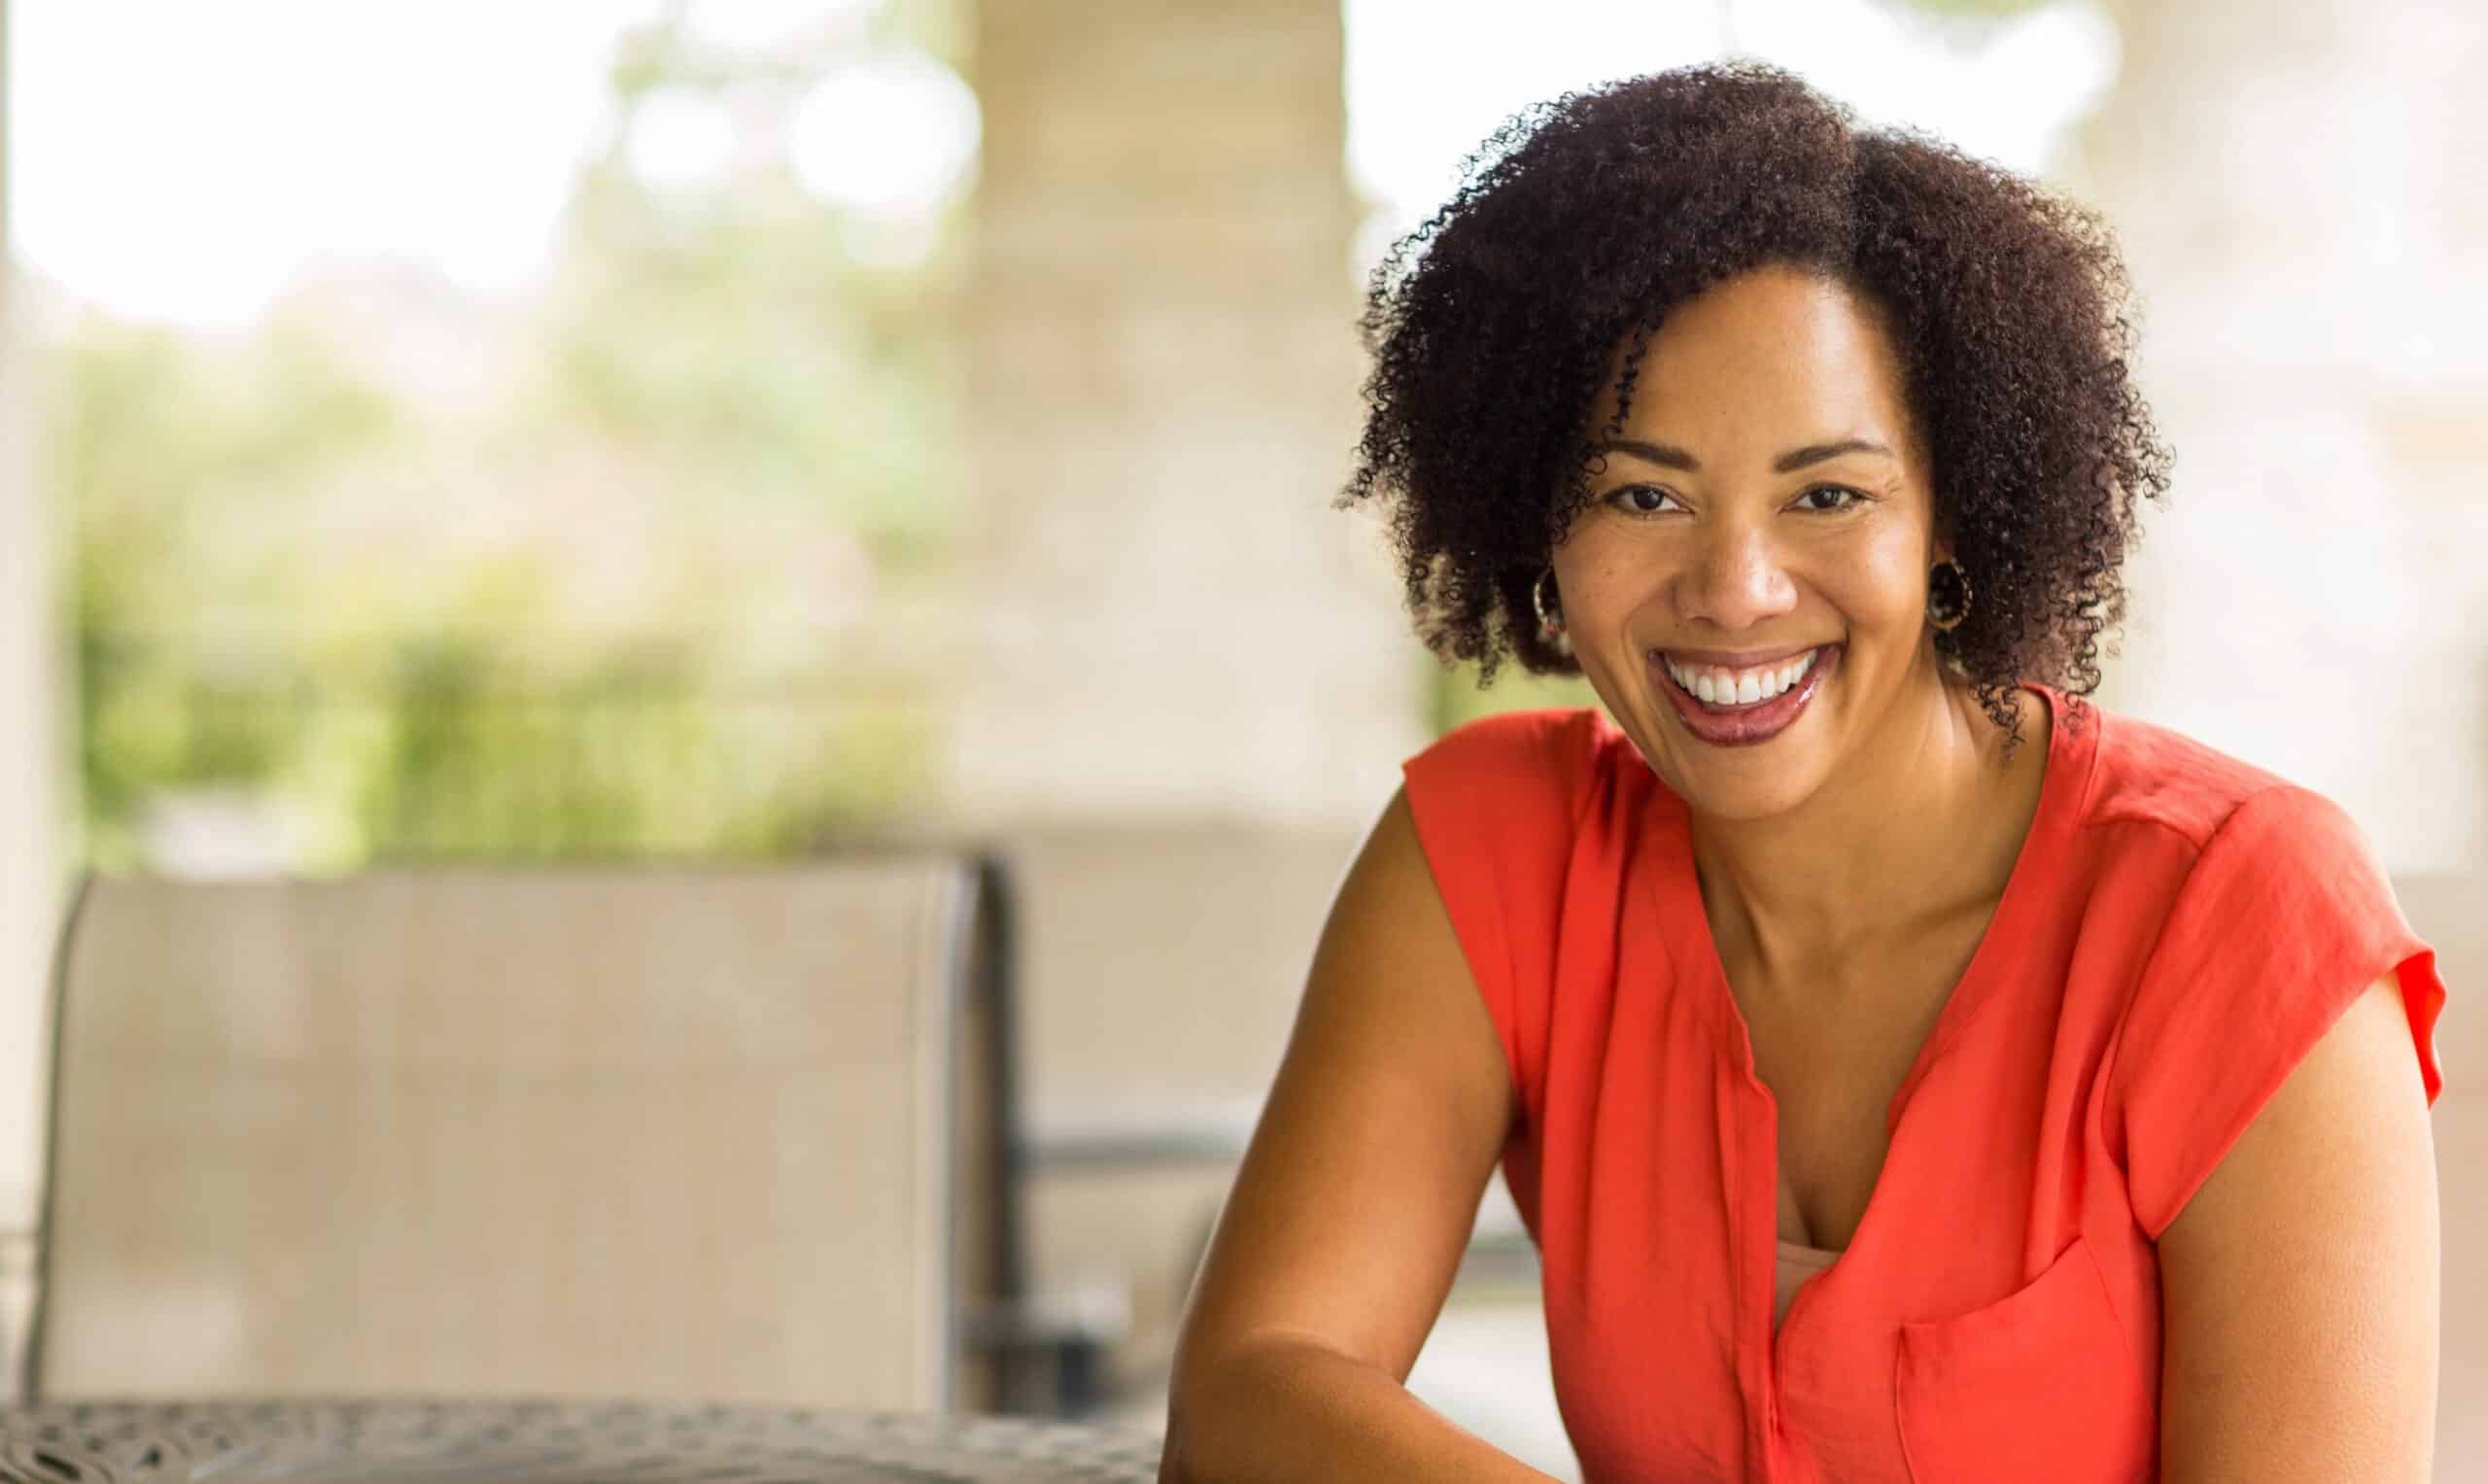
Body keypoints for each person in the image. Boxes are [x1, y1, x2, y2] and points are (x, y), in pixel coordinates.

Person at [1158, 63, 2447, 1484]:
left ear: (1954, 520)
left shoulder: (2238, 914)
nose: (1735, 589)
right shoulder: (1496, 856)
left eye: (1827, 494)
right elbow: (1252, 1401)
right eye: (1641, 495)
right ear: (1540, 521)